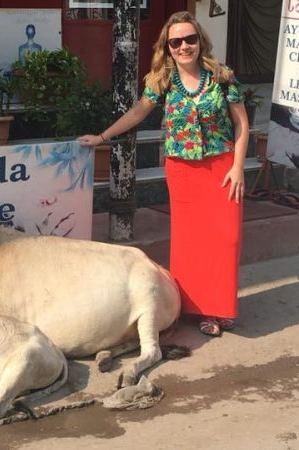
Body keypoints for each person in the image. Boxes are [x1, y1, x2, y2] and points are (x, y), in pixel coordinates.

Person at [78, 11, 249, 337]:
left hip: (221, 168)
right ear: (167, 47)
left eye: (190, 39)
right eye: (176, 42)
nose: (184, 46)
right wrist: (102, 137)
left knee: (227, 239)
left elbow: (241, 123)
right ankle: (195, 308)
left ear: (200, 41)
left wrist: (239, 166)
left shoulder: (222, 76)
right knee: (191, 242)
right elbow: (138, 112)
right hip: (183, 171)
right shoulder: (162, 80)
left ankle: (220, 305)